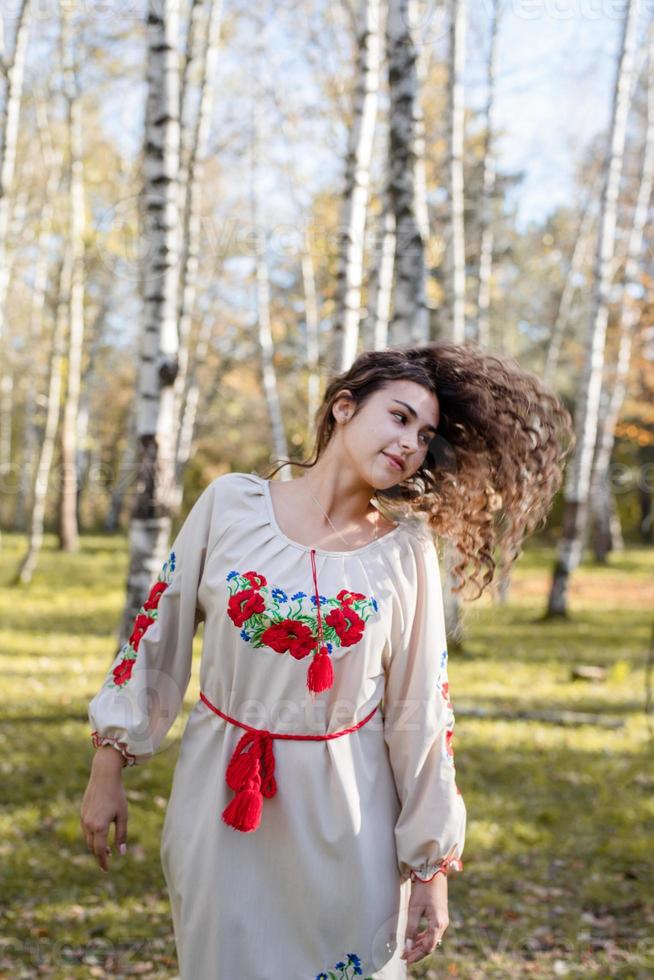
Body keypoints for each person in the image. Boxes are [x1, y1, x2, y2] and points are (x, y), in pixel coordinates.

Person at [80, 342, 574, 978]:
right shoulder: (230, 505)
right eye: (398, 418)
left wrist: (430, 866)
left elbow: (422, 711)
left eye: (424, 436)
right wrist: (108, 764)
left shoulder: (406, 552)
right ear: (344, 407)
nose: (409, 444)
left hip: (350, 815)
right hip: (220, 805)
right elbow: (156, 633)